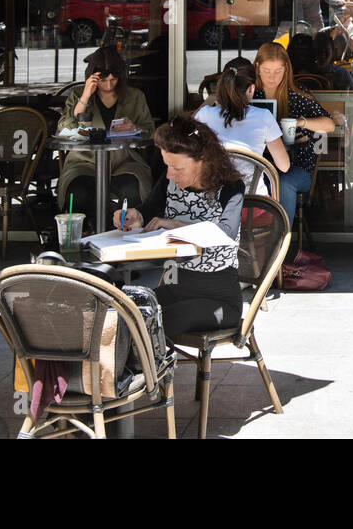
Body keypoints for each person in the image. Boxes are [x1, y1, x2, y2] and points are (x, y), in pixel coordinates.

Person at [121, 118, 244, 340]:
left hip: (219, 299)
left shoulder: (230, 187)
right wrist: (135, 216)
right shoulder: (171, 181)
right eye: (167, 165)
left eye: (177, 167)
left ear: (203, 160)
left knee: (152, 322)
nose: (169, 174)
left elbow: (226, 232)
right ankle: (130, 372)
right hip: (174, 285)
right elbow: (149, 208)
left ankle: (144, 372)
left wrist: (175, 224)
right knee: (124, 310)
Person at [251, 42, 346, 225]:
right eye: (267, 70)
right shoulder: (250, 95)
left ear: (286, 69)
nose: (272, 77)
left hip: (297, 166)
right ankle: (250, 236)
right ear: (257, 67)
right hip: (258, 165)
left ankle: (280, 239)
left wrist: (302, 122)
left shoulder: (296, 95)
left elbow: (329, 124)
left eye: (278, 71)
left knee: (284, 182)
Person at [57, 47, 156, 219]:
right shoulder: (78, 95)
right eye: (103, 80)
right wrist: (86, 97)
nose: (109, 85)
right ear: (92, 77)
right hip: (84, 160)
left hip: (126, 159)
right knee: (77, 192)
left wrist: (135, 129)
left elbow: (150, 131)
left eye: (114, 79)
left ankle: (124, 232)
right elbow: (65, 129)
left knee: (132, 189)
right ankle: (88, 234)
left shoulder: (135, 96)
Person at [193, 65, 292, 208]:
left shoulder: (205, 114)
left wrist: (211, 100)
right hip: (252, 207)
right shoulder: (263, 116)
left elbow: (185, 129)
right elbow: (284, 166)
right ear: (251, 89)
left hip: (211, 207)